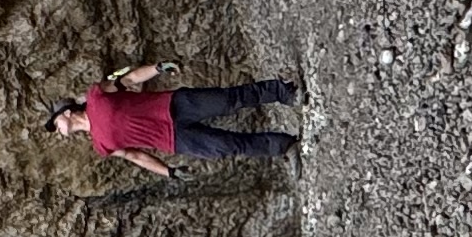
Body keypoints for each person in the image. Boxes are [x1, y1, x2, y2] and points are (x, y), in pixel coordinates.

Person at [48, 62, 302, 176]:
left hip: (172, 105)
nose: (57, 130)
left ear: (67, 112)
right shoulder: (100, 146)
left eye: (55, 123)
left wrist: (158, 68)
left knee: (227, 100)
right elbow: (135, 156)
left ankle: (282, 91)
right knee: (226, 146)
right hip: (174, 140)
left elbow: (129, 79)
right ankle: (284, 145)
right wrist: (167, 171)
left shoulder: (95, 96)